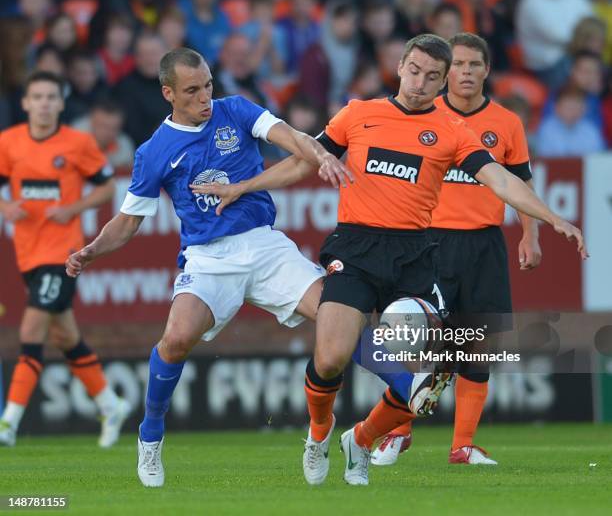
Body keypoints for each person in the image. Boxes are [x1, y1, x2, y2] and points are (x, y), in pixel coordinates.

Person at [196, 34, 587, 487]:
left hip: (415, 258)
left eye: (432, 77)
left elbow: (501, 181)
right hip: (356, 249)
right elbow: (303, 163)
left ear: (443, 83)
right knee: (331, 358)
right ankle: (319, 435)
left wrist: (552, 218)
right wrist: (242, 187)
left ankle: (360, 440)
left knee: (424, 373)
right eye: (415, 70)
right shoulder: (358, 114)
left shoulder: (452, 131)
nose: (421, 83)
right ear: (400, 66)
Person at [65, 46, 376, 489]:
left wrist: (320, 154)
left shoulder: (236, 110)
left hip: (265, 246)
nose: (205, 97)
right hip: (209, 258)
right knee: (175, 340)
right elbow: (129, 221)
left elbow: (288, 135)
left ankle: (319, 434)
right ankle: (150, 435)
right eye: (192, 90)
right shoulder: (154, 151)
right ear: (169, 93)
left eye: (208, 84)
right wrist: (92, 249)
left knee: (339, 322)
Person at [369, 32, 541, 467]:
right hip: (428, 240)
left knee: (477, 345)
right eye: (459, 65)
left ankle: (462, 446)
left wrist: (531, 233)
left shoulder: (506, 123)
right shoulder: (426, 116)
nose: (465, 72)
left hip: (483, 243)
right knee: (413, 340)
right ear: (446, 74)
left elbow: (520, 184)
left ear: (486, 71)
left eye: (474, 65)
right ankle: (398, 432)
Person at [0, 71, 129, 448]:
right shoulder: (9, 142)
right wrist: (6, 206)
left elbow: (106, 185)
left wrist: (73, 207)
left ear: (60, 103)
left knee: (31, 331)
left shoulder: (77, 143)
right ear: (25, 103)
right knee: (64, 335)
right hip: (28, 253)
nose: (43, 103)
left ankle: (9, 422)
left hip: (64, 254)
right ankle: (110, 404)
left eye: (50, 97)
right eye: (36, 96)